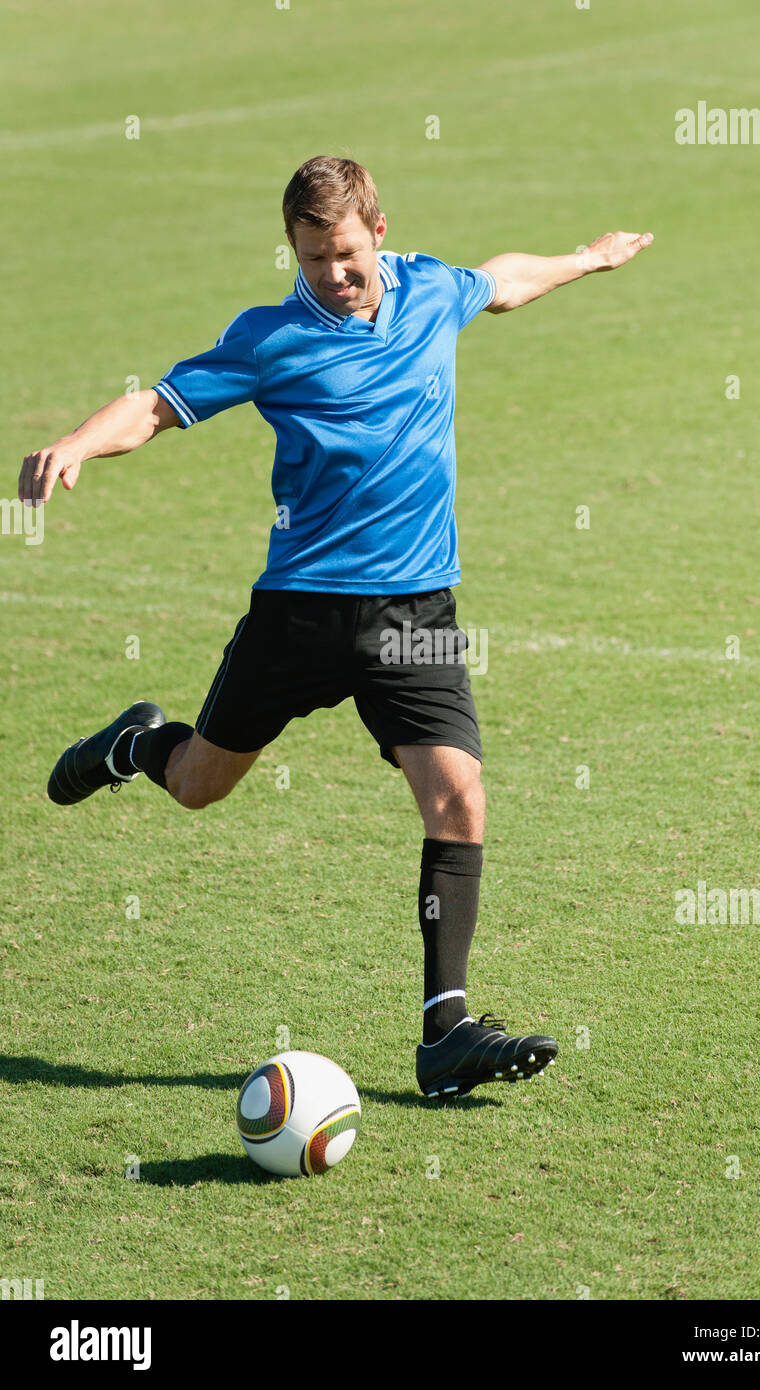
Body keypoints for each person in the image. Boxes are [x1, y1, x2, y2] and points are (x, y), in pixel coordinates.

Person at [19, 155, 652, 1098]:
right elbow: (156, 406)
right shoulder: (269, 338)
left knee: (459, 798)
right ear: (295, 249)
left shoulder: (431, 291)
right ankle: (136, 744)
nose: (334, 275)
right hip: (301, 612)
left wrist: (585, 259)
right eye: (314, 258)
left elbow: (502, 282)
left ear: (379, 232)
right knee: (199, 786)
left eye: (347, 254)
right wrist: (77, 442)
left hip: (417, 608)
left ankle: (445, 1034)